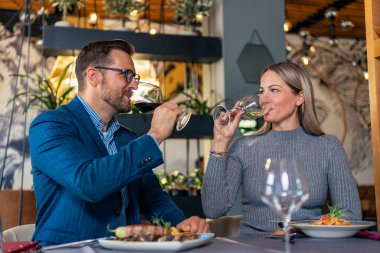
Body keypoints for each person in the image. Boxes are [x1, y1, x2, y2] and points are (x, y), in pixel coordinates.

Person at [29, 39, 209, 246]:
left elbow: (152, 198)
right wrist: (156, 134)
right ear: (94, 76)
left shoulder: (126, 137)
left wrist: (181, 224)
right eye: (126, 74)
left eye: (135, 77)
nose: (134, 85)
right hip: (67, 249)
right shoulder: (50, 125)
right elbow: (88, 183)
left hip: (122, 249)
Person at [201, 61, 362, 236]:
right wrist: (220, 141)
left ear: (299, 98)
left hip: (308, 247)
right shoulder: (243, 146)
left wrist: (300, 230)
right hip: (254, 248)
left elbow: (350, 214)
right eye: (262, 91)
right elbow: (213, 210)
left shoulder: (328, 146)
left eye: (274, 90)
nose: (263, 99)